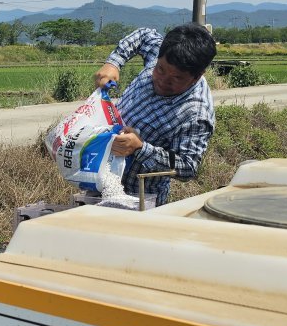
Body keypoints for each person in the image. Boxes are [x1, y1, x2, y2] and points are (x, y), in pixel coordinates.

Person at [92, 23, 217, 206]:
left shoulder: (196, 114)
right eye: (160, 69)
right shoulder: (166, 51)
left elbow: (188, 167)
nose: (163, 80)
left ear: (197, 76)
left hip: (138, 199)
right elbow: (143, 34)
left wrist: (140, 148)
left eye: (176, 78)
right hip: (97, 180)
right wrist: (114, 63)